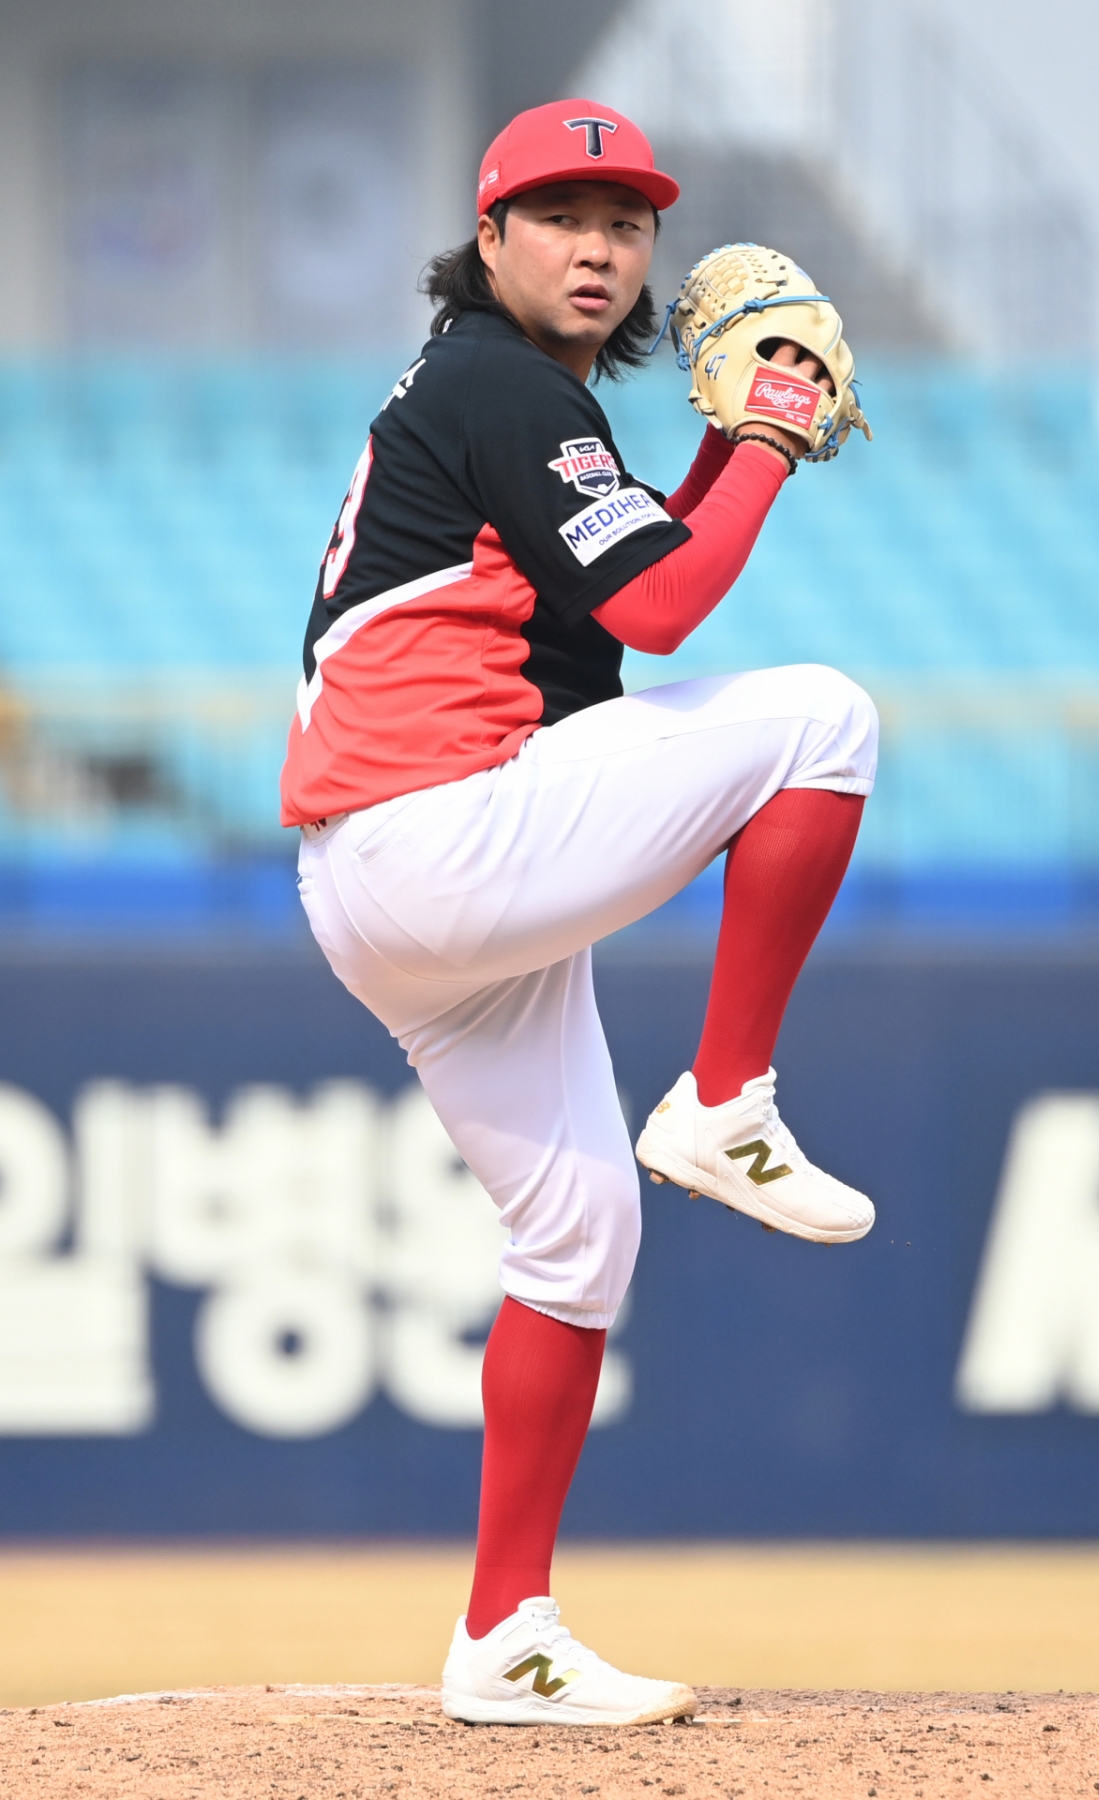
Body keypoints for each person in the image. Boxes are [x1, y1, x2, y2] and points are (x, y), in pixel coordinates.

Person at [281, 98, 878, 1728]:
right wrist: (762, 438)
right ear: (490, 242)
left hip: (384, 879)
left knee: (574, 1238)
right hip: (442, 831)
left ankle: (505, 1636)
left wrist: (716, 462)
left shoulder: (500, 402)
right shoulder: (497, 382)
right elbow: (672, 606)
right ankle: (728, 1099)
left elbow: (630, 577)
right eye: (560, 215)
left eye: (626, 222)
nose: (602, 247)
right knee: (823, 718)